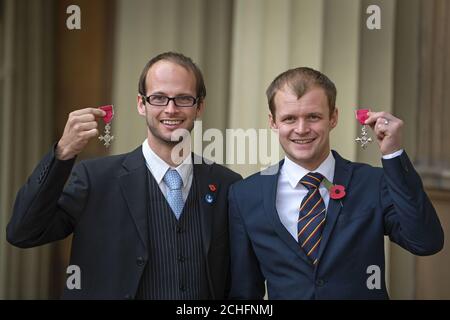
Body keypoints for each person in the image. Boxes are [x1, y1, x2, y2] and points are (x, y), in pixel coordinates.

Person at [7, 52, 241, 299]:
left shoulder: (227, 185)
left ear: (199, 106)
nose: (171, 109)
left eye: (183, 98)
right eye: (159, 98)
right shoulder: (95, 179)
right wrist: (62, 154)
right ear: (142, 104)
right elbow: (23, 232)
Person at [228, 67, 444, 299]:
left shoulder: (373, 183)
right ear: (273, 122)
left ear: (333, 117)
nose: (301, 129)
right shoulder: (244, 195)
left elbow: (425, 242)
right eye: (289, 118)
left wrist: (393, 154)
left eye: (313, 116)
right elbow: (244, 291)